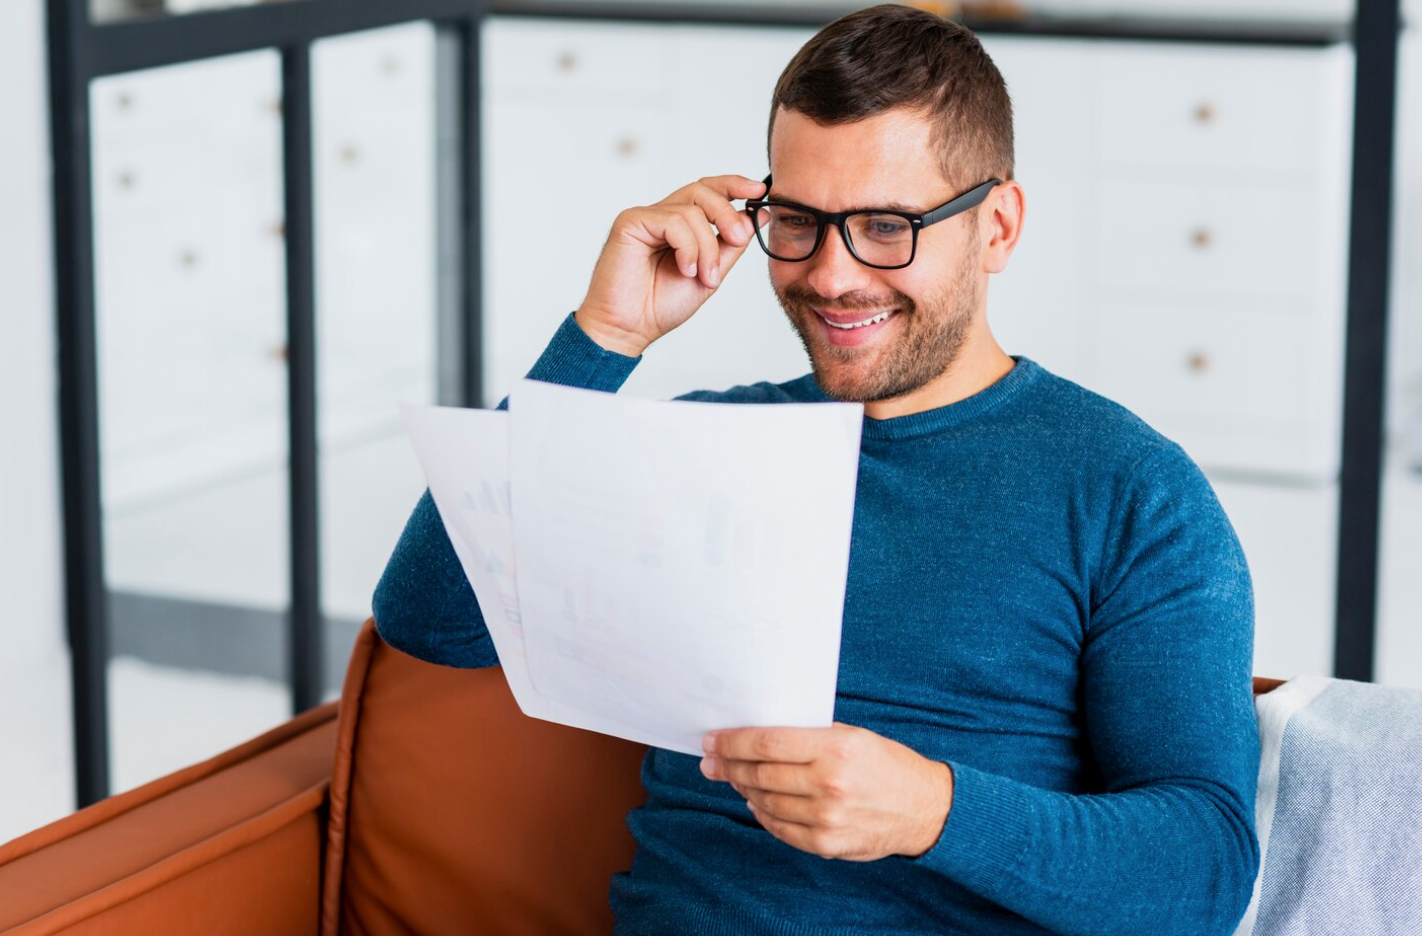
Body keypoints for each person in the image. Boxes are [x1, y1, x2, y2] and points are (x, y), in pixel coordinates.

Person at [372, 5, 1261, 935]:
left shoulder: (1131, 492)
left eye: (886, 226)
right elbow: (431, 621)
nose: (832, 275)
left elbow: (1204, 870)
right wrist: (605, 338)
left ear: (996, 227)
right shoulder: (701, 451)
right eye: (797, 220)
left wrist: (932, 812)